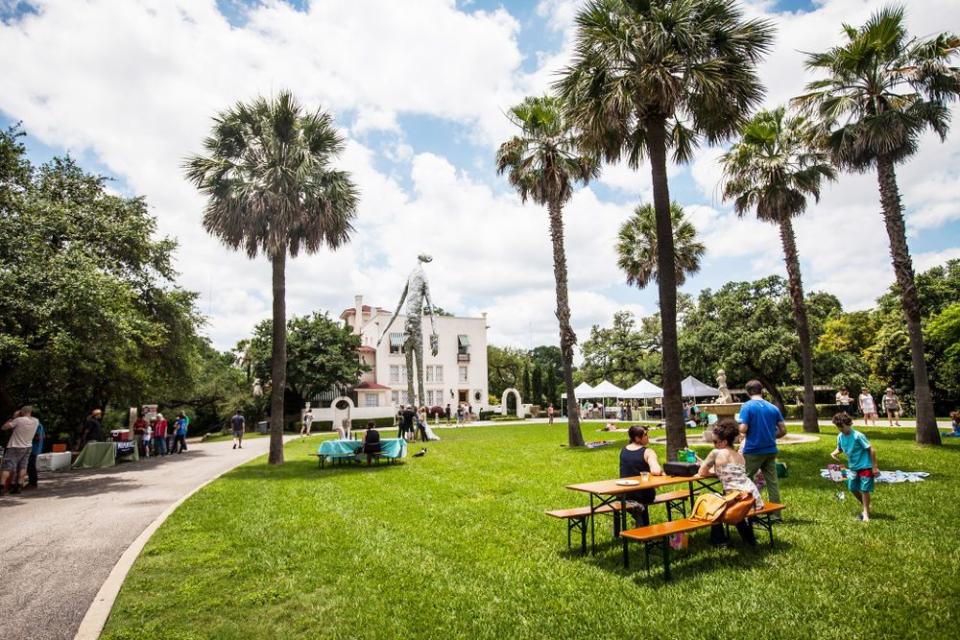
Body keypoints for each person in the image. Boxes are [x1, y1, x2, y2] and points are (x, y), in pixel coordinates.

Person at [697, 418, 761, 546]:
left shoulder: (716, 453)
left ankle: (719, 540)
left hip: (737, 497)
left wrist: (712, 473)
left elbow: (702, 473)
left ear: (724, 441)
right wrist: (718, 473)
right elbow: (732, 473)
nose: (713, 445)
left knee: (712, 503)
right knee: (726, 501)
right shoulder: (740, 456)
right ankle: (749, 539)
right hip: (753, 496)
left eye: (715, 441)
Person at [738, 380, 786, 516]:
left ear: (748, 392)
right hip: (771, 450)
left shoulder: (747, 407)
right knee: (772, 482)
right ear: (762, 390)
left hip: (753, 450)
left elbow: (743, 428)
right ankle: (776, 514)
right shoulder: (773, 408)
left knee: (745, 479)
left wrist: (737, 426)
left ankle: (747, 511)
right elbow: (783, 430)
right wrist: (770, 436)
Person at [831, 412, 879, 522]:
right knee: (852, 488)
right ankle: (865, 505)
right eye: (838, 427)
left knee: (864, 489)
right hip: (853, 467)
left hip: (865, 466)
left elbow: (871, 449)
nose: (840, 429)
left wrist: (874, 467)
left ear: (848, 424)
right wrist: (834, 453)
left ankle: (866, 513)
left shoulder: (858, 436)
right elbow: (840, 448)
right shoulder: (840, 437)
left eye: (842, 426)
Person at [618, 425, 662, 526]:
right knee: (644, 496)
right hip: (644, 495)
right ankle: (640, 513)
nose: (648, 436)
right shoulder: (648, 452)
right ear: (637, 438)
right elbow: (656, 471)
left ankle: (637, 509)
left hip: (625, 493)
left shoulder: (623, 450)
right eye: (646, 434)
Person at [1, 406, 39, 496]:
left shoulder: (18, 420)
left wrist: (13, 418)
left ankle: (1, 486)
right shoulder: (36, 421)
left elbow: (4, 427)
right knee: (23, 466)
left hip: (15, 446)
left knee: (7, 466)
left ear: (22, 412)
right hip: (27, 446)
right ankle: (19, 485)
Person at [27, 418, 45, 489]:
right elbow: (43, 436)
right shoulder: (40, 425)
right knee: (31, 465)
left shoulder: (37, 425)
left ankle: (33, 482)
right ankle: (32, 482)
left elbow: (38, 437)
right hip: (36, 448)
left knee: (31, 465)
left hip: (33, 448)